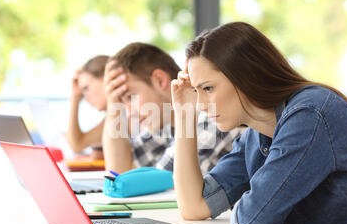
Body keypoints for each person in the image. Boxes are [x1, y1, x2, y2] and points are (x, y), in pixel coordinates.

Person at [171, 22, 347, 224]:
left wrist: (248, 201)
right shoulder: (256, 135)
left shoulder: (310, 114)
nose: (200, 104)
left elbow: (253, 218)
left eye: (208, 88)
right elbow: (194, 206)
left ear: (245, 76)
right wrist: (184, 116)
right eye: (196, 91)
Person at [102, 42, 244, 174]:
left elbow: (156, 183)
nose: (128, 113)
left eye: (130, 97)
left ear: (159, 80)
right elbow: (119, 174)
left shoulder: (209, 116)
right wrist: (112, 105)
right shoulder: (164, 126)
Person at [67, 55, 109, 154]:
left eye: (86, 88)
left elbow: (77, 145)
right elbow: (77, 145)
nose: (85, 98)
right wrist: (75, 98)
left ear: (106, 78)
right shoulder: (115, 115)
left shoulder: (128, 113)